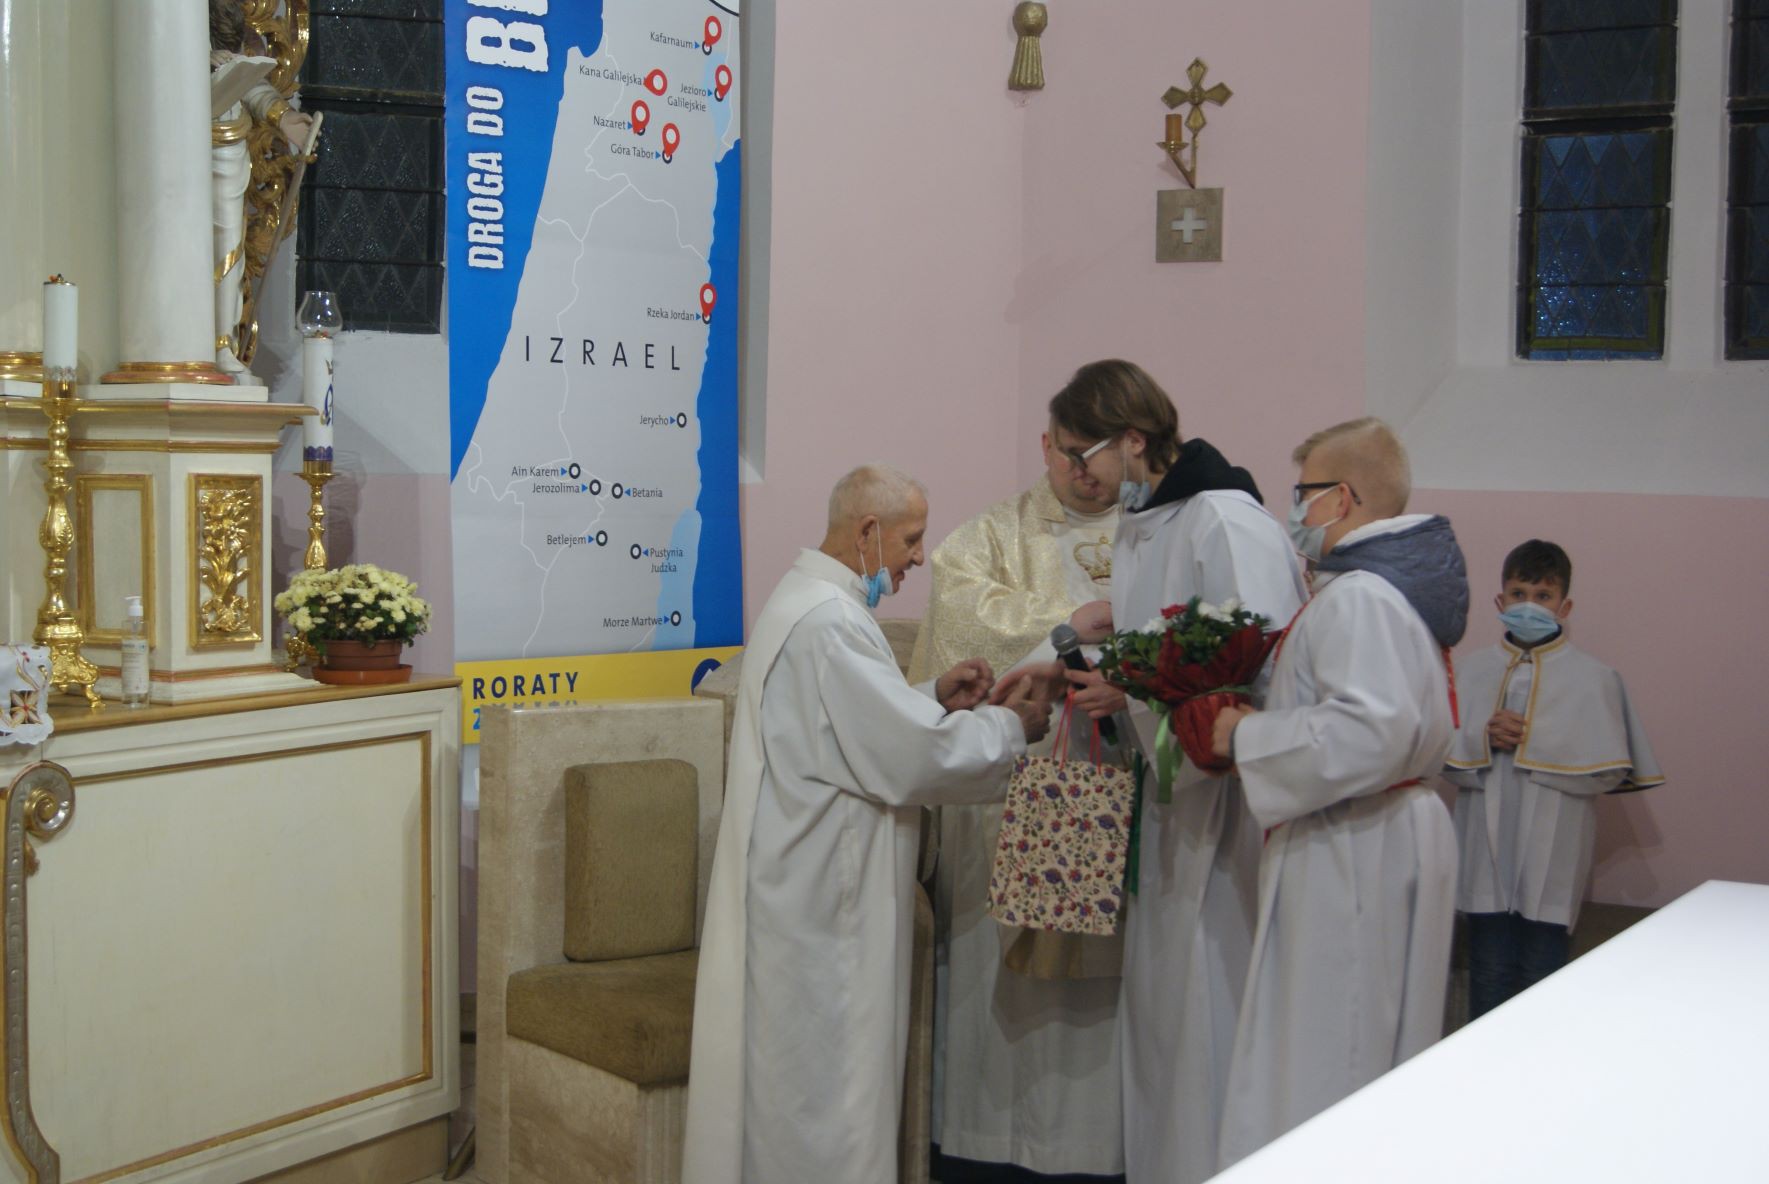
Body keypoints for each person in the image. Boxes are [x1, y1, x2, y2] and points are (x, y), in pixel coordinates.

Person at [683, 464, 1054, 1184]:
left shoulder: (810, 601)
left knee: (801, 1082)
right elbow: (908, 758)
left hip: (805, 875)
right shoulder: (830, 622)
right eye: (911, 539)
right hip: (828, 897)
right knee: (829, 1090)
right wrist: (1011, 727)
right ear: (867, 531)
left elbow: (845, 725)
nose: (920, 556)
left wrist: (932, 696)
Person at [1004, 360, 1306, 1184]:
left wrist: (1131, 685)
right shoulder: (1146, 519)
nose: (1074, 473)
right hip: (1168, 796)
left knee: (1210, 1005)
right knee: (1164, 1013)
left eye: (1082, 454)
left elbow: (1261, 663)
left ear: (1133, 440)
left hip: (1224, 809)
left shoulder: (1225, 520)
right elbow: (1162, 644)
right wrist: (1087, 664)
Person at [1210, 417, 1465, 1170]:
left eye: (1303, 494)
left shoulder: (1360, 598)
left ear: (1343, 498)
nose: (1294, 511)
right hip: (1373, 834)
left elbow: (1371, 730)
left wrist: (1244, 736)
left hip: (1354, 845)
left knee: (1333, 1051)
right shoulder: (1384, 591)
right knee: (1357, 1044)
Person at [906, 426, 1124, 1180]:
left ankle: (1105, 1149)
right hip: (1012, 787)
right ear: (1045, 443)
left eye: (1097, 454)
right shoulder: (989, 537)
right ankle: (990, 1147)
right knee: (1008, 1003)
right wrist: (1071, 626)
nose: (1083, 470)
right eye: (1069, 452)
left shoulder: (1158, 530)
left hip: (1118, 775)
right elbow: (963, 626)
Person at [1444, 539, 1664, 1019]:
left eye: (1543, 596)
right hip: (1485, 839)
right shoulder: (1470, 671)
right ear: (1500, 600)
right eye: (1519, 593)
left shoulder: (1595, 678)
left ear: (1564, 606)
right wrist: (1482, 738)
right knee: (1487, 967)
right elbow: (1438, 754)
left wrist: (1537, 741)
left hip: (1555, 840)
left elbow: (1608, 771)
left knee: (1543, 970)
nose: (1530, 605)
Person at [210, 0, 313, 379]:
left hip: (226, 146)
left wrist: (285, 119)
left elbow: (247, 81)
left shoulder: (223, 13)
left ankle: (221, 344)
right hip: (174, 148)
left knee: (228, 248)